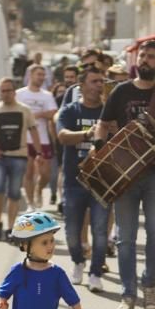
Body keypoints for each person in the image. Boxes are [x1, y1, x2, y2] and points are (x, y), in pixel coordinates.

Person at [93, 39, 155, 309]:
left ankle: (149, 286)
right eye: (142, 55)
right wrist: (100, 148)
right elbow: (102, 125)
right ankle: (128, 293)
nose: (145, 60)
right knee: (125, 238)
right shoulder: (121, 91)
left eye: (151, 56)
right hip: (125, 175)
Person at [0, 212, 84, 309]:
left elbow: (73, 299)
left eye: (52, 241)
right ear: (26, 245)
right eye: (44, 242)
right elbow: (4, 293)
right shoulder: (18, 271)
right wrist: (2, 306)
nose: (50, 246)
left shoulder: (57, 274)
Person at [57, 66, 109, 293]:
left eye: (101, 81)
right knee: (71, 230)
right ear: (82, 85)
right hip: (73, 181)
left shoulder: (108, 111)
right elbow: (62, 136)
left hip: (102, 182)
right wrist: (89, 134)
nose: (99, 85)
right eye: (94, 81)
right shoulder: (70, 110)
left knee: (99, 230)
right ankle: (78, 261)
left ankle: (96, 272)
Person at [0, 77, 41, 242]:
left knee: (14, 193)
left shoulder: (24, 110)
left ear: (14, 91)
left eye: (9, 90)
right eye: (3, 91)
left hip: (19, 157)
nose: (6, 94)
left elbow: (34, 130)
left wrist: (39, 152)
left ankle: (11, 227)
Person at [17, 65, 58, 209]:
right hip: (25, 139)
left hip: (43, 139)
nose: (41, 77)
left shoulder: (46, 95)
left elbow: (53, 113)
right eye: (38, 74)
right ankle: (30, 203)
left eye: (43, 75)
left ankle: (39, 190)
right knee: (28, 172)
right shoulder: (20, 94)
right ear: (30, 75)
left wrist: (38, 115)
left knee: (46, 173)